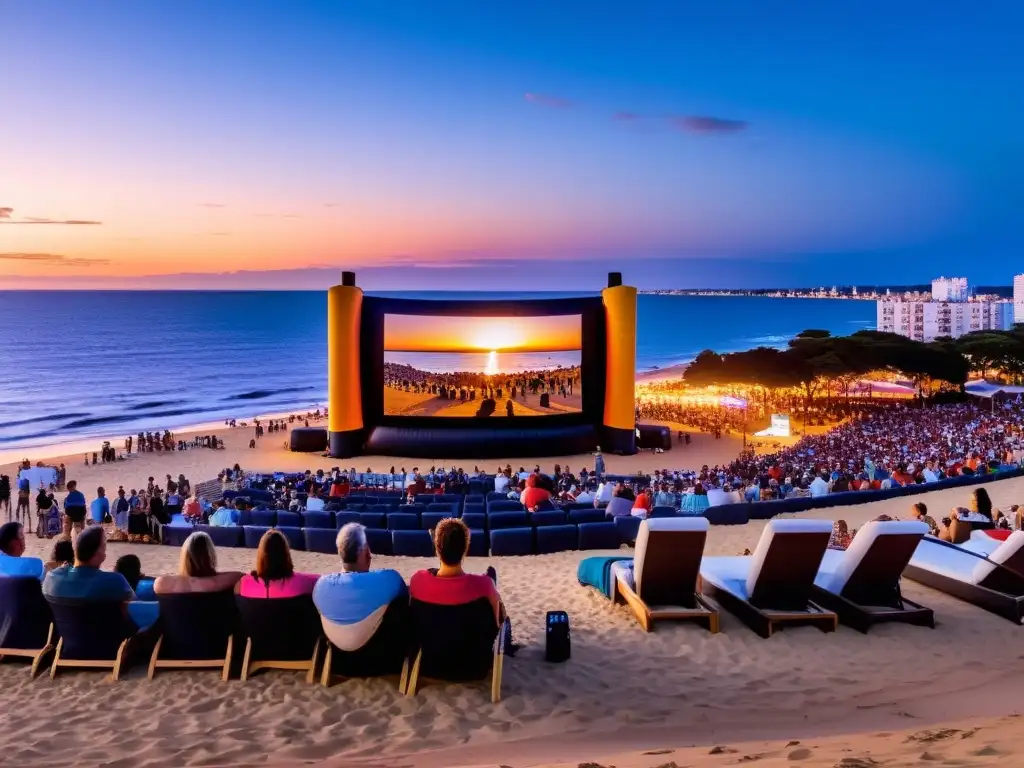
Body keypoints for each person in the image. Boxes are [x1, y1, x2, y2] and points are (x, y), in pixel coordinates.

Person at [313, 523, 409, 663]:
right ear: (366, 553)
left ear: (340, 553)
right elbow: (405, 597)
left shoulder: (321, 585)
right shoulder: (389, 579)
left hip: (338, 663)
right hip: (381, 660)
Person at [409, 518, 503, 624]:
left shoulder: (418, 580)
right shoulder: (486, 585)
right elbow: (496, 625)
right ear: (465, 548)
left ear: (436, 547)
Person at [42, 527, 135, 602]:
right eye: (104, 548)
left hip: (64, 625)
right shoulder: (115, 581)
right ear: (99, 554)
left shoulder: (52, 578)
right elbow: (137, 608)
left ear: (76, 551)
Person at [237, 529, 319, 598]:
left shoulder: (243, 584)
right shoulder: (304, 582)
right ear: (286, 554)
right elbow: (326, 581)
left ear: (260, 556)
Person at [153, 531, 243, 594]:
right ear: (210, 555)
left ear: (185, 556)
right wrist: (214, 574)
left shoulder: (162, 583)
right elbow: (240, 575)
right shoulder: (231, 580)